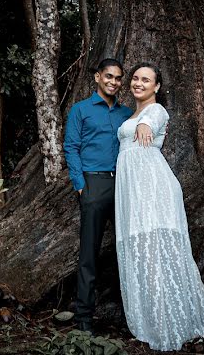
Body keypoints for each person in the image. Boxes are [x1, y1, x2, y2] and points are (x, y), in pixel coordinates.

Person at [115, 63, 204, 351]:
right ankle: (151, 318)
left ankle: (170, 321)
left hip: (152, 188)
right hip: (131, 190)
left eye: (145, 80)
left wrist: (145, 125)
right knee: (141, 248)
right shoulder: (132, 114)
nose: (138, 83)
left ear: (157, 87)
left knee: (156, 248)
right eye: (135, 78)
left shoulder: (156, 111)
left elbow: (152, 122)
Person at [63, 58, 134, 332]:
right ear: (97, 77)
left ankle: (132, 317)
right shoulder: (80, 110)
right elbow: (71, 148)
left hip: (124, 186)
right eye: (109, 76)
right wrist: (81, 186)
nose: (113, 82)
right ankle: (83, 319)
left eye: (118, 78)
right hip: (93, 185)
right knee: (89, 256)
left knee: (127, 252)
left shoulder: (126, 113)